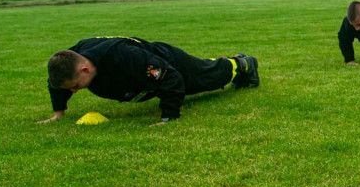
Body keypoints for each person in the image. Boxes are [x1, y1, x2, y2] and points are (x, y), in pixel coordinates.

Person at [40, 37, 259, 126]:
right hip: (146, 74)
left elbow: (170, 77)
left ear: (85, 69)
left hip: (168, 61)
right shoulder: (71, 59)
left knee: (210, 76)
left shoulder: (125, 57)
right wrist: (58, 113)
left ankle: (243, 63)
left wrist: (168, 117)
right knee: (206, 68)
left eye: (76, 86)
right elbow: (57, 81)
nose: (75, 91)